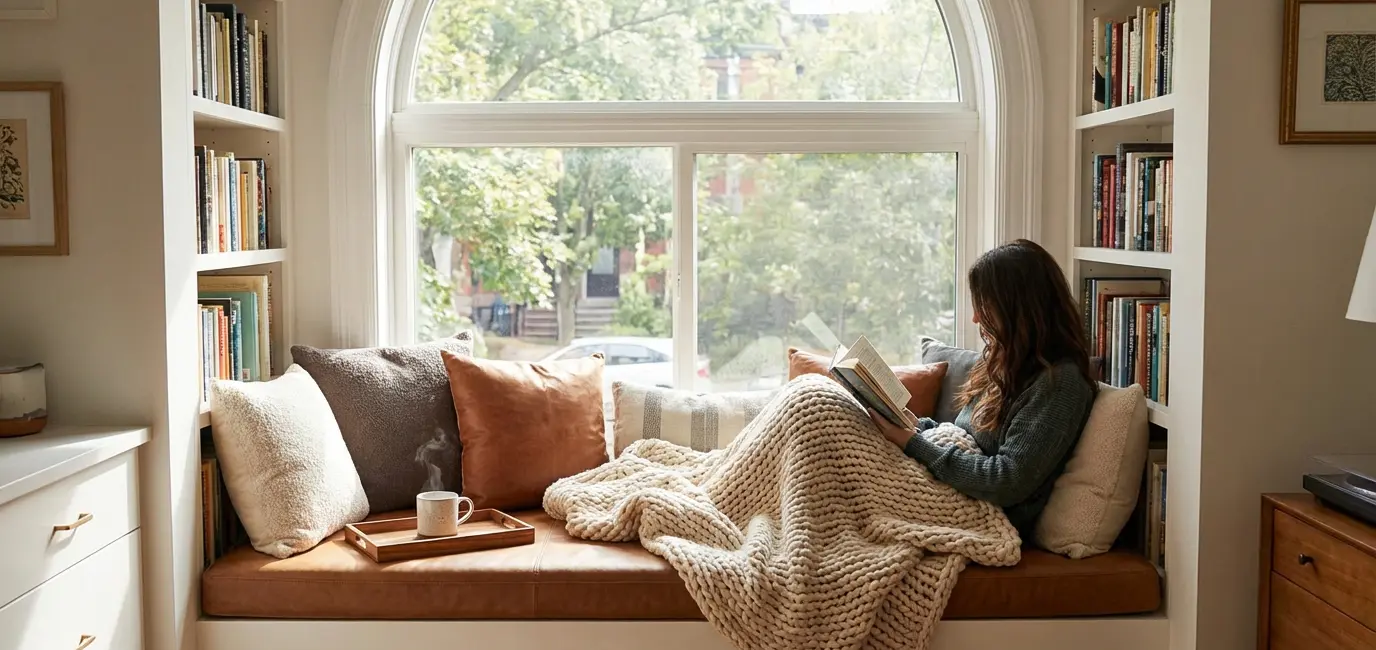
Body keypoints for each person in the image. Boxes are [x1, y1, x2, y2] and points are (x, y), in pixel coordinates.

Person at [869, 239, 1098, 539]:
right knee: (827, 406)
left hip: (981, 514)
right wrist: (915, 425)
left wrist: (912, 443)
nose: (976, 318)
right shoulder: (1003, 360)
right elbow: (963, 437)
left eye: (985, 306)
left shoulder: (1060, 384)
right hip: (947, 488)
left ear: (1019, 308)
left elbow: (1007, 480)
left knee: (815, 409)